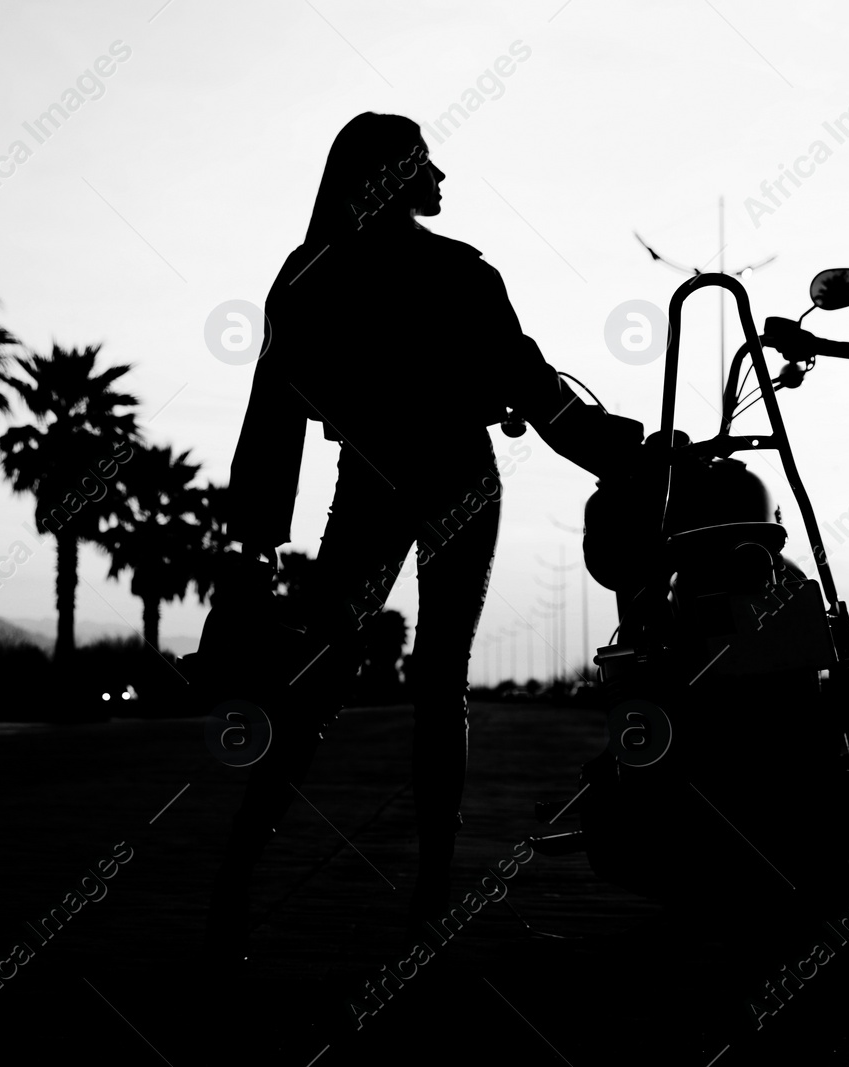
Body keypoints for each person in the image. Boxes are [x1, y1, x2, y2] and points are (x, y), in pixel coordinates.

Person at [204, 111, 639, 959]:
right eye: (425, 165)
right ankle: (432, 896)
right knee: (440, 683)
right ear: (393, 175)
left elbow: (273, 421)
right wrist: (619, 449)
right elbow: (540, 394)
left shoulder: (308, 277)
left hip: (372, 486)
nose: (441, 179)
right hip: (455, 484)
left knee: (316, 685)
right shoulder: (460, 273)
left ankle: (236, 877)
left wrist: (252, 547)